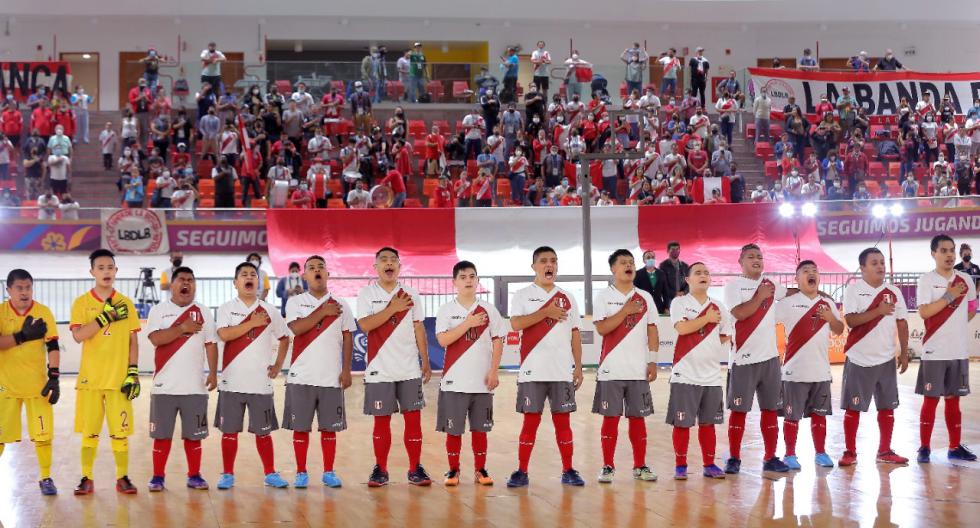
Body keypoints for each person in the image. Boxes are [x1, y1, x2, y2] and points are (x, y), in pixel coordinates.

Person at [506, 246, 585, 488]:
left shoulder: (568, 296)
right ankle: (521, 471)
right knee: (530, 423)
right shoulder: (522, 295)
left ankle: (568, 470)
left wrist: (578, 367)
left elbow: (574, 334)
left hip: (561, 372)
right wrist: (546, 312)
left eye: (553, 261)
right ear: (534, 267)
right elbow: (516, 324)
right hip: (532, 370)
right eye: (543, 261)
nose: (549, 265)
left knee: (564, 424)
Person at [356, 247, 432, 487]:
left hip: (409, 368)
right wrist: (392, 309)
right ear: (375, 267)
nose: (388, 264)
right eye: (383, 260)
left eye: (393, 260)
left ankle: (414, 468)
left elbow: (419, 327)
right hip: (380, 368)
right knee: (381, 422)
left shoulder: (411, 294)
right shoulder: (366, 294)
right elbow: (366, 325)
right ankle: (381, 468)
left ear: (399, 266)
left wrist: (425, 360)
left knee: (414, 421)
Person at [69, 249, 141, 494]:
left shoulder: (126, 303)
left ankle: (122, 477)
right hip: (90, 380)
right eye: (100, 268)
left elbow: (133, 340)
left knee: (119, 433)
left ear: (116, 271)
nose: (106, 271)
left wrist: (133, 371)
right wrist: (103, 319)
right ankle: (86, 478)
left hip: (119, 380)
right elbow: (78, 336)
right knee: (90, 433)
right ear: (92, 272)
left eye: (110, 267)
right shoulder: (82, 303)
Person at [214, 262, 290, 490]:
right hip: (232, 382)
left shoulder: (270, 310)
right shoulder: (226, 308)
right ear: (235, 282)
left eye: (253, 275)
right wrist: (252, 323)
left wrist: (278, 365)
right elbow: (225, 334)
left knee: (263, 433)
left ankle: (270, 473)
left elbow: (285, 337)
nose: (249, 277)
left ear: (258, 281)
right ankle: (227, 474)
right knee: (229, 433)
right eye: (244, 275)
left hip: (261, 383)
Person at [283, 256, 356, 488]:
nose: (316, 271)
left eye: (321, 267)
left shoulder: (342, 304)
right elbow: (297, 328)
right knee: (300, 429)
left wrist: (346, 370)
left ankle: (328, 472)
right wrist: (323, 312)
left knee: (329, 429)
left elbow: (347, 337)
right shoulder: (295, 302)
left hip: (330, 377)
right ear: (304, 276)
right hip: (301, 376)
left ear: (328, 274)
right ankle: (301, 472)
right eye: (311, 268)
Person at [144, 266, 218, 492]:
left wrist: (214, 373)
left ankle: (194, 475)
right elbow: (156, 339)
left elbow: (211, 344)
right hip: (164, 387)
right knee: (162, 436)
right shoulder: (159, 310)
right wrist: (182, 328)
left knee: (194, 436)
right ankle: (158, 477)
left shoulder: (204, 311)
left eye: (191, 280)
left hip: (194, 387)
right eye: (182, 280)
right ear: (172, 285)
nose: (186, 283)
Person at [434, 261, 506, 486]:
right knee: (453, 431)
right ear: (454, 282)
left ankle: (480, 470)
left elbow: (498, 341)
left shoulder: (489, 309)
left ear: (477, 281)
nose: (468, 280)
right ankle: (453, 471)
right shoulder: (446, 310)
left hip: (482, 383)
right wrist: (468, 323)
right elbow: (443, 340)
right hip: (454, 382)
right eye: (463, 276)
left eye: (472, 276)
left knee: (480, 430)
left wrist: (494, 372)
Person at [722, 244, 790, 474]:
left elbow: (788, 293)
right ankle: (734, 458)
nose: (757, 260)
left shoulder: (771, 285)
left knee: (770, 409)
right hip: (743, 360)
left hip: (770, 359)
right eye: (751, 257)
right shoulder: (733, 287)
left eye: (760, 257)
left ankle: (770, 457)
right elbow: (740, 314)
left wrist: (814, 292)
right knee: (739, 411)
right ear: (740, 261)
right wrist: (760, 296)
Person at [592, 250, 659, 484]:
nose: (628, 266)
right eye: (623, 263)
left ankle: (640, 465)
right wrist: (625, 311)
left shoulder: (645, 297)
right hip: (611, 369)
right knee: (610, 420)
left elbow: (652, 329)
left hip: (638, 370)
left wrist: (652, 359)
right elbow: (602, 328)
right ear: (613, 269)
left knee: (638, 420)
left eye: (631, 262)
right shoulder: (603, 297)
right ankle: (608, 466)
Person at [839, 248, 910, 466]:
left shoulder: (894, 291)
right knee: (853, 408)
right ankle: (850, 452)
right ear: (862, 268)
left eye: (882, 262)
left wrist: (904, 352)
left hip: (886, 359)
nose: (880, 266)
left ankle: (885, 451)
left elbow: (902, 322)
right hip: (859, 358)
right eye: (874, 263)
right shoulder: (853, 290)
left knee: (887, 407)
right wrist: (878, 311)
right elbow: (851, 321)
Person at [775, 261, 844, 470]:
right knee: (791, 417)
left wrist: (831, 317)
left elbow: (839, 329)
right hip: (794, 372)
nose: (811, 274)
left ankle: (821, 453)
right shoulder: (787, 303)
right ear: (796, 279)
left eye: (815, 271)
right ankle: (789, 454)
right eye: (806, 271)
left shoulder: (828, 303)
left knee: (819, 415)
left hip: (821, 372)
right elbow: (765, 323)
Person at [915, 235, 977, 463]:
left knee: (954, 400)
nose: (949, 255)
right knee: (930, 400)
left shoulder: (966, 280)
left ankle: (954, 447)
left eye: (952, 250)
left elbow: (971, 308)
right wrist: (950, 296)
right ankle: (924, 448)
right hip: (934, 351)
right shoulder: (926, 280)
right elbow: (924, 312)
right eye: (944, 250)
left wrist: (957, 324)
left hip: (958, 350)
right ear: (934, 254)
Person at [667, 262, 732, 480]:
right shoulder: (680, 303)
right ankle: (680, 465)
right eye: (698, 273)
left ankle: (709, 464)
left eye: (706, 272)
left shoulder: (719, 306)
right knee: (682, 423)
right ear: (688, 280)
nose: (703, 275)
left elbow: (726, 334)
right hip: (685, 373)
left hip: (712, 376)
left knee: (708, 423)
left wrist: (710, 342)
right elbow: (682, 328)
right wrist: (706, 320)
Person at [0, 269, 61, 495]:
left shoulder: (43, 312)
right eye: (19, 288)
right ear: (8, 290)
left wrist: (54, 376)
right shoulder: (0, 312)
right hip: (5, 386)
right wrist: (22, 336)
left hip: (37, 385)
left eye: (28, 287)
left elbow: (52, 346)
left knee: (44, 435)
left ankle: (46, 477)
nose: (24, 292)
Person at [659, 241, 689, 307]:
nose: (675, 251)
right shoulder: (663, 266)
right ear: (668, 251)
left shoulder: (685, 266)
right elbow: (664, 284)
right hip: (669, 300)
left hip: (683, 298)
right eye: (673, 249)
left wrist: (684, 292)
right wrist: (674, 294)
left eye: (677, 249)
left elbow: (690, 282)